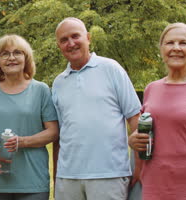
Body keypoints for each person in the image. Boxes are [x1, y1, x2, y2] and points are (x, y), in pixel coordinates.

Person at [52, 17, 141, 200]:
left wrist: (138, 167)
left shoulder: (111, 68)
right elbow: (59, 135)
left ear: (88, 38)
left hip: (109, 175)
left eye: (75, 36)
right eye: (64, 40)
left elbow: (135, 119)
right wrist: (57, 176)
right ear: (59, 45)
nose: (71, 43)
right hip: (68, 178)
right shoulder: (59, 83)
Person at [0, 34, 59, 200]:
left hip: (32, 181)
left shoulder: (40, 90)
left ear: (26, 58)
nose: (11, 58)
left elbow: (53, 132)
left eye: (17, 53)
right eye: (5, 54)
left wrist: (22, 142)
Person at [128, 23, 186, 200]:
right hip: (154, 183)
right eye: (170, 43)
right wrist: (134, 139)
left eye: (183, 43)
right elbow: (146, 130)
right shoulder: (152, 89)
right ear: (161, 49)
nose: (176, 48)